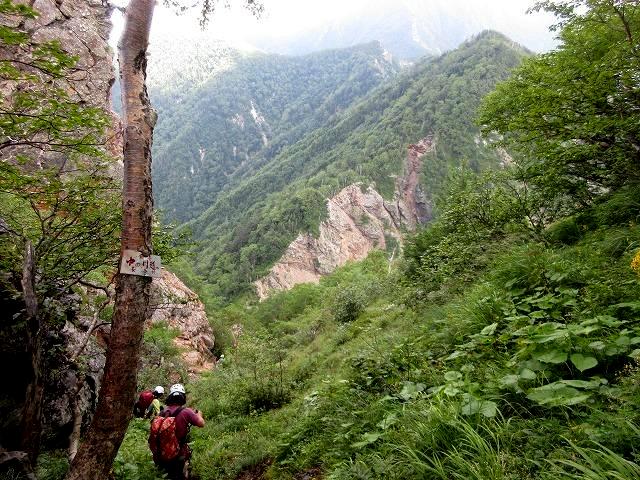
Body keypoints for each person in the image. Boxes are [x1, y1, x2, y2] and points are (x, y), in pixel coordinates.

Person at [154, 383, 205, 480]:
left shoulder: (163, 412)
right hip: (178, 453)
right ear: (183, 397)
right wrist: (199, 415)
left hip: (161, 452)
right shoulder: (187, 411)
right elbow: (201, 424)